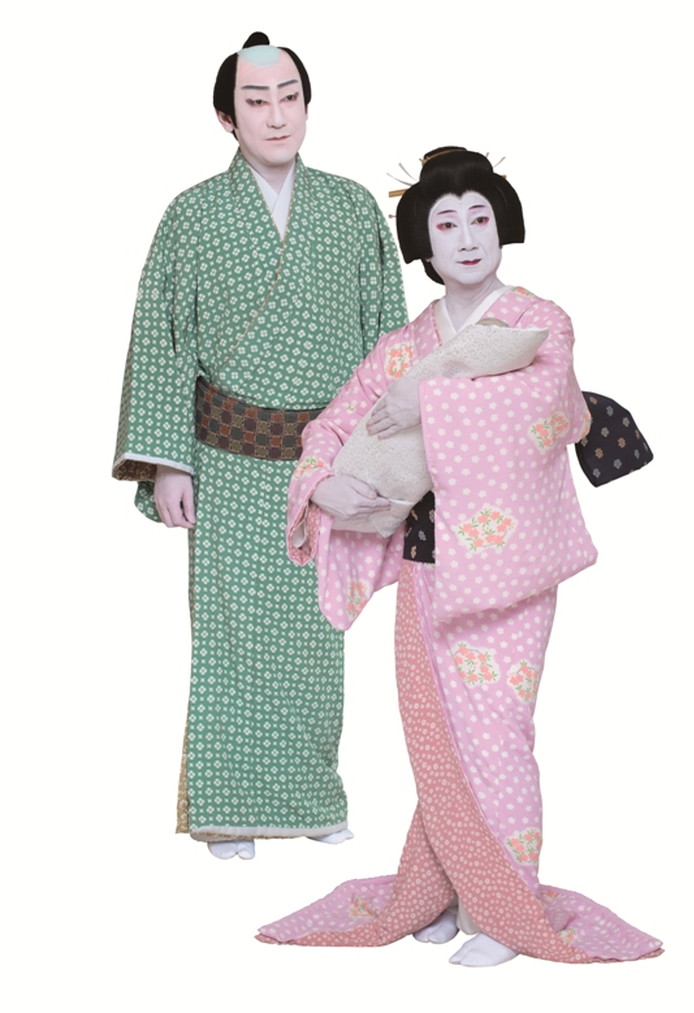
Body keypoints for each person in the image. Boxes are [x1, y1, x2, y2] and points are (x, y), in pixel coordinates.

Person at [257, 148, 661, 965]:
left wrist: (426, 398)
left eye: (480, 217)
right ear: (425, 242)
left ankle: (507, 908)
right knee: (438, 734)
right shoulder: (405, 343)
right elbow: (333, 423)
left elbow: (542, 407)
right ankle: (443, 885)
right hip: (427, 562)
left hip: (511, 568)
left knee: (499, 731)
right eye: (447, 223)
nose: (468, 237)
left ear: (502, 224)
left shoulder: (541, 322)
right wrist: (322, 485)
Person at [112, 33, 406, 859]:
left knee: (315, 633)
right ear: (226, 117)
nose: (276, 115)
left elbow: (388, 335)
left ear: (307, 105)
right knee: (229, 635)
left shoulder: (352, 208)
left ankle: (311, 797)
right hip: (228, 457)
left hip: (325, 459)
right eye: (256, 100)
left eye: (289, 97)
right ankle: (227, 809)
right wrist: (168, 460)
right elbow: (163, 336)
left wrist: (381, 457)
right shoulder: (193, 215)